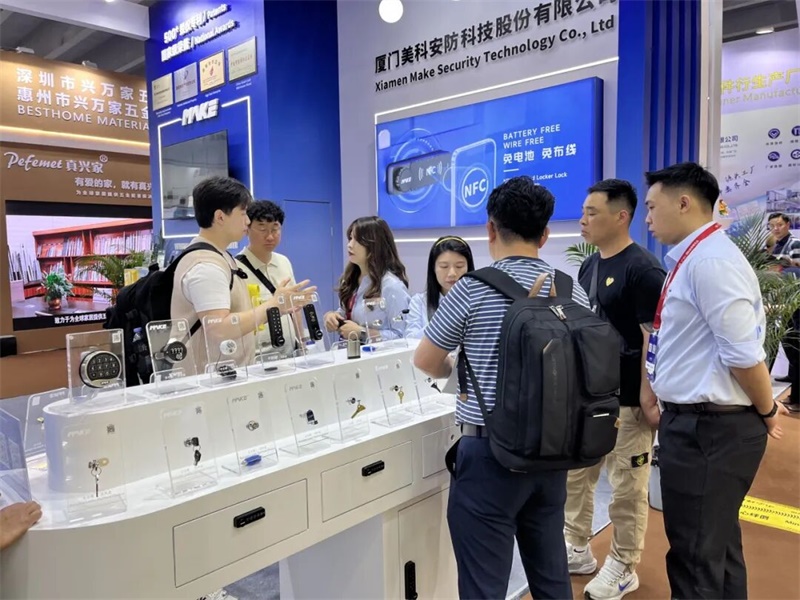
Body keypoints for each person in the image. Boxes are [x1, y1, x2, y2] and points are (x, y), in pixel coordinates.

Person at [413, 176, 590, 600]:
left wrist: (462, 369)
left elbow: (426, 360)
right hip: (553, 452)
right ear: (545, 235)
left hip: (488, 453)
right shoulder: (572, 290)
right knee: (551, 575)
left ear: (491, 229)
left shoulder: (472, 289)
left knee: (484, 585)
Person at [643, 162, 788, 600]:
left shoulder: (710, 262)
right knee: (715, 549)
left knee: (695, 559)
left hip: (710, 430)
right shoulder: (696, 258)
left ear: (684, 203)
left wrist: (766, 409)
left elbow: (743, 355)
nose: (647, 218)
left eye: (652, 207)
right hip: (701, 425)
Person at [565, 179, 666, 599]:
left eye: (592, 213)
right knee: (577, 476)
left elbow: (652, 339)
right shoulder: (589, 266)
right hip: (590, 397)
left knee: (626, 486)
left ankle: (624, 564)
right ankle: (576, 546)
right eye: (583, 212)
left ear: (621, 216)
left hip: (629, 400)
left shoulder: (643, 270)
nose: (583, 220)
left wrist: (646, 395)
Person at [170, 177, 314, 373]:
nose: (247, 221)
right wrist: (274, 305)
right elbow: (219, 329)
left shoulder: (219, 257)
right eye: (243, 213)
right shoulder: (206, 266)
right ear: (220, 217)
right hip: (212, 378)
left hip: (227, 374)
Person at [323, 216, 411, 341]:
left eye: (357, 240)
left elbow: (402, 335)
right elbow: (346, 313)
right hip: (347, 351)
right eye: (350, 238)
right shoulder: (350, 280)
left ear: (374, 245)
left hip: (378, 354)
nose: (349, 245)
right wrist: (333, 317)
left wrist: (362, 333)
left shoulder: (392, 286)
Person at [235, 200, 300, 356]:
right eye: (262, 229)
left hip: (289, 354)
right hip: (257, 357)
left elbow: (294, 308)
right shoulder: (235, 268)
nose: (270, 236)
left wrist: (302, 342)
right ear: (247, 229)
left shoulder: (284, 262)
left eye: (275, 229)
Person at [406, 236, 475, 339]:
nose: (452, 273)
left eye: (459, 266)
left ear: (468, 267)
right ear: (433, 268)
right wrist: (443, 321)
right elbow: (411, 338)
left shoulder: (479, 301)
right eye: (444, 266)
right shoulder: (419, 302)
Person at [767, 212, 799, 392]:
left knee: (793, 342)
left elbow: (797, 272)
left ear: (787, 225)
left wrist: (781, 268)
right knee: (786, 340)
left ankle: (796, 391)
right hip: (779, 299)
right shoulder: (774, 245)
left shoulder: (794, 243)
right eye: (772, 226)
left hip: (794, 300)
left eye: (779, 225)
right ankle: (792, 376)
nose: (776, 229)